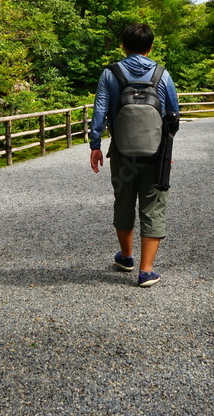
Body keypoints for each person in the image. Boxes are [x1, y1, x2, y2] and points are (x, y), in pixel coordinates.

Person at [89, 23, 179, 287]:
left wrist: (95, 144)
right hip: (155, 152)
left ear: (123, 46)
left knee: (124, 200)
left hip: (122, 151)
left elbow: (99, 112)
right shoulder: (162, 75)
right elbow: (173, 114)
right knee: (153, 205)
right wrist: (166, 148)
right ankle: (146, 271)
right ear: (151, 47)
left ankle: (126, 257)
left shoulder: (110, 73)